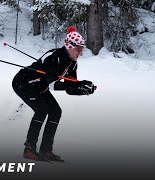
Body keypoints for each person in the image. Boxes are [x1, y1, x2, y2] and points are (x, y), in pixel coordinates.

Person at [12, 26, 96, 162]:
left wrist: (84, 90)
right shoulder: (54, 57)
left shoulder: (72, 64)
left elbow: (70, 89)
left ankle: (46, 150)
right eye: (79, 49)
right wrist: (78, 84)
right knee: (42, 109)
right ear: (69, 46)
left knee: (56, 111)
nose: (80, 52)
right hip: (24, 83)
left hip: (39, 85)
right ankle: (29, 149)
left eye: (82, 49)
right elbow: (53, 85)